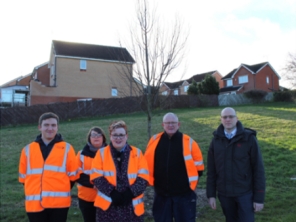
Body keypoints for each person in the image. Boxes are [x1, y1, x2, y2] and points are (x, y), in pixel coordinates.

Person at [18, 112, 81, 222]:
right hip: (34, 204)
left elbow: (73, 177)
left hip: (59, 204)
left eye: (53, 125)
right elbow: (23, 178)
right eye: (46, 125)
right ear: (39, 127)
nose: (50, 128)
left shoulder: (67, 148)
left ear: (57, 127)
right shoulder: (27, 150)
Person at [206, 107, 266, 222]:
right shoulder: (215, 141)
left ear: (236, 119)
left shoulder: (249, 139)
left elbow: (258, 169)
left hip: (244, 193)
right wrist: (211, 195)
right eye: (225, 117)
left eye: (231, 117)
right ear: (221, 119)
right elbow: (212, 171)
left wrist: (259, 198)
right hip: (225, 194)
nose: (228, 119)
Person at [144, 112, 204, 222]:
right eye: (168, 123)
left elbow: (199, 168)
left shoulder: (188, 142)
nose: (170, 125)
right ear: (163, 125)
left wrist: (192, 186)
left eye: (173, 123)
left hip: (184, 194)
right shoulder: (154, 140)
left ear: (179, 124)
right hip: (161, 194)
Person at [90, 120, 149, 222]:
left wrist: (130, 193)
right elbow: (96, 177)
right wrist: (112, 193)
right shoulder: (101, 153)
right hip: (108, 208)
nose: (118, 138)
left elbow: (143, 178)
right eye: (115, 135)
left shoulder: (137, 153)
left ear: (126, 136)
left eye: (121, 135)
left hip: (132, 208)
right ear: (110, 136)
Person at [76, 126, 107, 222]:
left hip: (106, 196)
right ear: (89, 138)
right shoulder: (81, 154)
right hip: (86, 198)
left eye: (99, 135)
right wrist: (94, 183)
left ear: (103, 138)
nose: (96, 137)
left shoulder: (110, 154)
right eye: (93, 135)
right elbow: (78, 174)